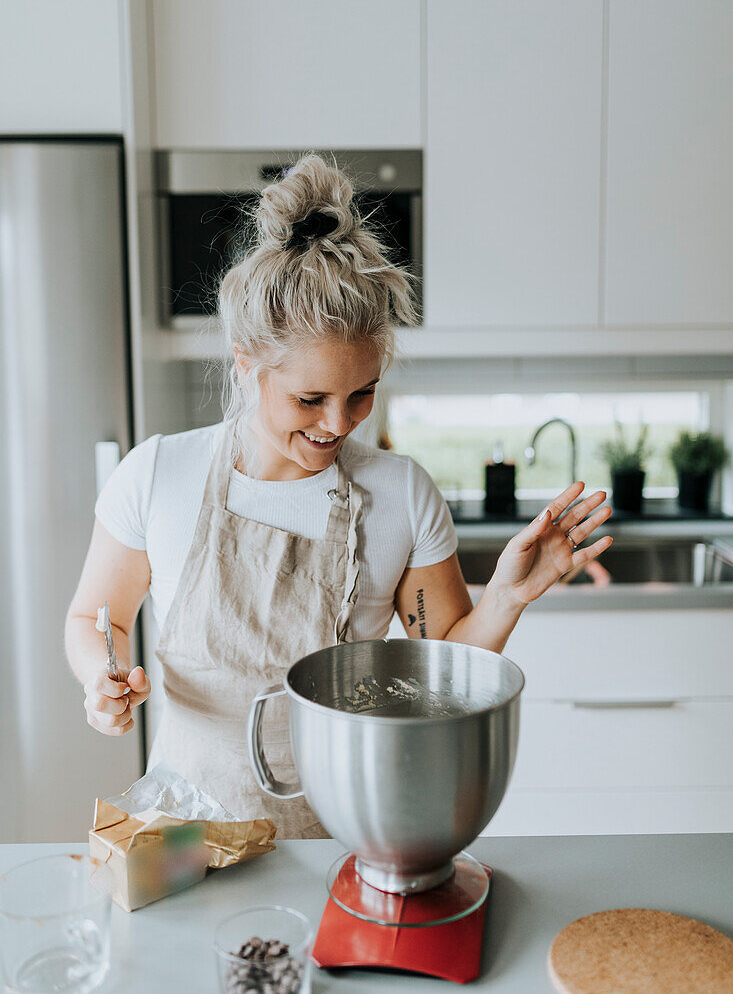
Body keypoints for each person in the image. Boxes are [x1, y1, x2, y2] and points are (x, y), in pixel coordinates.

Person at [65, 154, 612, 838]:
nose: (337, 423)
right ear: (246, 365)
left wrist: (505, 595)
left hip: (344, 833)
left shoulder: (400, 493)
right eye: (309, 398)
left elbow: (443, 668)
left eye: (361, 394)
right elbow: (96, 618)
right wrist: (100, 680)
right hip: (186, 839)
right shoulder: (159, 475)